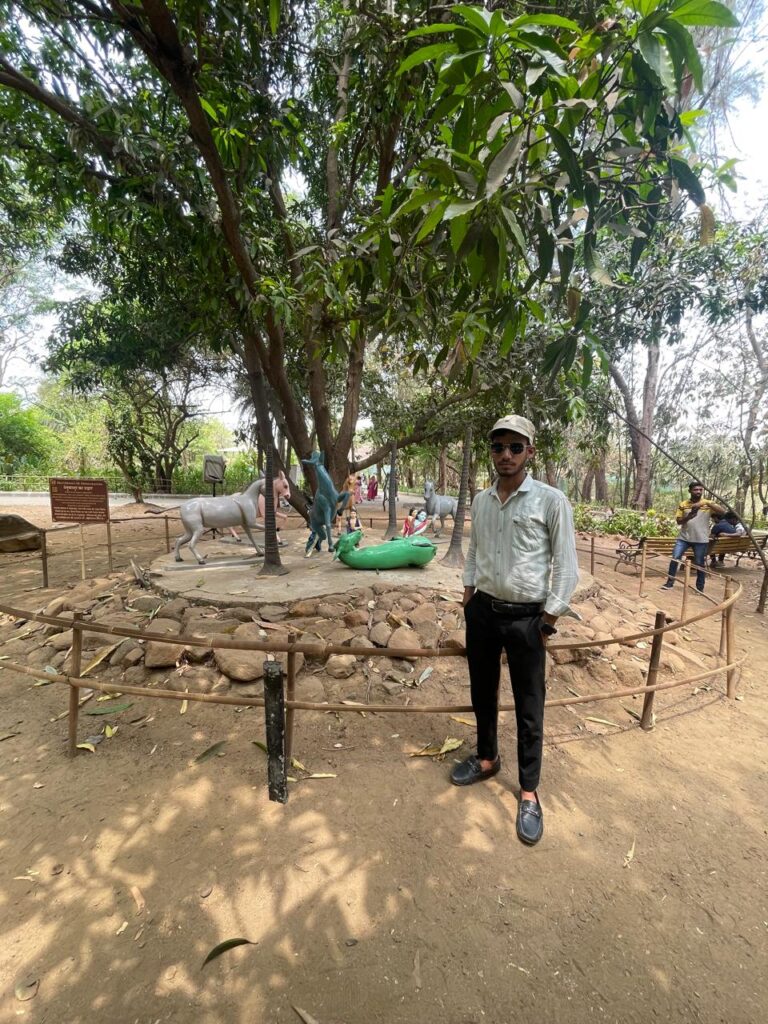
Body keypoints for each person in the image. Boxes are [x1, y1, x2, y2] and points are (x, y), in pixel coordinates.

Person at [452, 414, 579, 847]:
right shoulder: (482, 501)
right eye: (498, 446)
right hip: (483, 611)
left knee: (529, 704)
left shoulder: (551, 501)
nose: (505, 454)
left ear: (530, 451)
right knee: (481, 691)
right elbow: (474, 552)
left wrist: (549, 620)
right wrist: (468, 598)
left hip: (528, 618)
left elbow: (567, 567)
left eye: (515, 447)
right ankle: (487, 758)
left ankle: (528, 790)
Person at [660, 483, 725, 593]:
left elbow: (722, 511)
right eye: (695, 489)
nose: (698, 492)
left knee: (699, 563)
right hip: (683, 538)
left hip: (701, 539)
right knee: (675, 558)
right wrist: (689, 517)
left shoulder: (708, 504)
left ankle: (699, 588)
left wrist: (706, 503)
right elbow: (678, 521)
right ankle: (669, 583)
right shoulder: (683, 504)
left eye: (700, 489)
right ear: (690, 491)